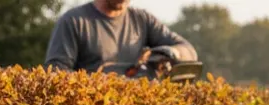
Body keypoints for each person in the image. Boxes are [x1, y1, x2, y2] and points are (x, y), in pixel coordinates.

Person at [45, 0, 197, 77]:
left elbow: (189, 52)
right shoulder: (73, 21)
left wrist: (170, 53)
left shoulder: (143, 20)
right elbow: (56, 73)